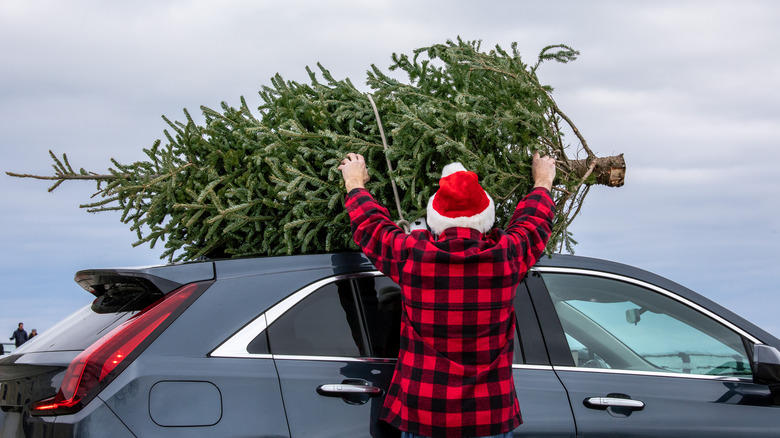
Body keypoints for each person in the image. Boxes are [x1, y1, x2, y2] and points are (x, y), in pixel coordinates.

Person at [339, 152, 556, 438]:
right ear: (486, 218)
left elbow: (372, 227)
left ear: (434, 219)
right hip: (488, 416)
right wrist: (542, 180)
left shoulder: (415, 256)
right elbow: (534, 223)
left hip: (424, 415)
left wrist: (355, 182)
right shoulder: (506, 256)